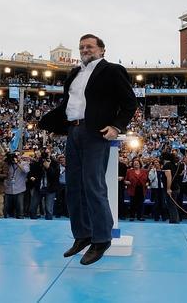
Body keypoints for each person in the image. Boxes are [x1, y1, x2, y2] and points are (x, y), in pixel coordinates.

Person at [38, 33, 137, 265]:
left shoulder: (112, 70)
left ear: (102, 49)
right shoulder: (74, 73)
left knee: (93, 186)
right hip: (74, 132)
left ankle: (102, 239)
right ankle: (82, 235)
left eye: (90, 46)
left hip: (95, 133)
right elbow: (68, 105)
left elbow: (130, 102)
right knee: (73, 186)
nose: (85, 50)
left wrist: (116, 126)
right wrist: (56, 125)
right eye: (82, 47)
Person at [4, 152, 29, 219]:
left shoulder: (24, 163)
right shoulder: (8, 164)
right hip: (8, 190)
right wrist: (7, 159)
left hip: (19, 190)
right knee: (5, 209)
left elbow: (26, 171)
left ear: (20, 156)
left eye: (18, 155)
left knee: (20, 209)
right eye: (15, 155)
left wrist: (17, 163)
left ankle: (20, 223)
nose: (16, 157)